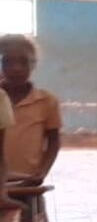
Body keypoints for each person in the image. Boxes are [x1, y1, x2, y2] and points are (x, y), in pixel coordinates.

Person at [0, 35, 62, 186]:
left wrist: (43, 171)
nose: (16, 68)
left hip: (27, 182)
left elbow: (53, 141)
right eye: (8, 62)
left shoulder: (47, 101)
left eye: (23, 62)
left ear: (33, 64)